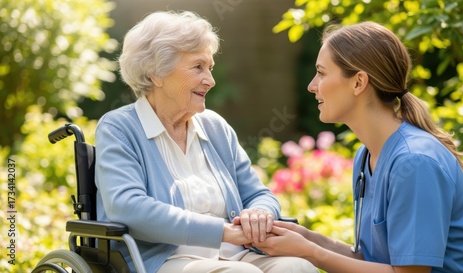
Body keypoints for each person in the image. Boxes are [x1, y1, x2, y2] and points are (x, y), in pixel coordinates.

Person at [251, 21, 463, 273]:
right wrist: (307, 237)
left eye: (322, 73)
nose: (312, 85)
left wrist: (310, 252)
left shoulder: (414, 161)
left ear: (358, 82)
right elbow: (375, 262)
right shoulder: (366, 155)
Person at [94, 10, 318, 273]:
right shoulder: (120, 128)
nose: (210, 80)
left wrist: (259, 212)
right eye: (198, 67)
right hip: (165, 260)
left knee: (297, 267)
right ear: (156, 73)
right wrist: (221, 232)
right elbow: (128, 206)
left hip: (237, 255)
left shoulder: (215, 127)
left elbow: (258, 194)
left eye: (209, 68)